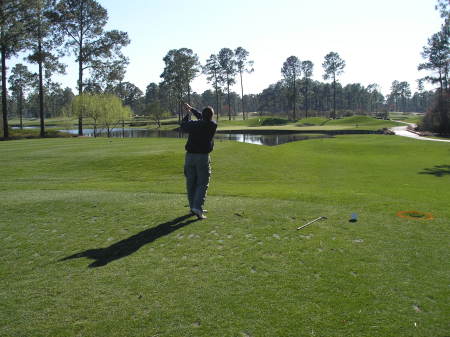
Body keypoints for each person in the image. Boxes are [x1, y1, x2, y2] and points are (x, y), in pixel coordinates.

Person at [180, 103, 217, 219]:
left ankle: (194, 207)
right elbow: (203, 117)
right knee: (202, 183)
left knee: (191, 183)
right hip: (202, 158)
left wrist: (188, 112)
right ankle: (197, 207)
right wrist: (192, 110)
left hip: (189, 157)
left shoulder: (193, 124)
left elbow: (183, 125)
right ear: (211, 116)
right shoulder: (212, 125)